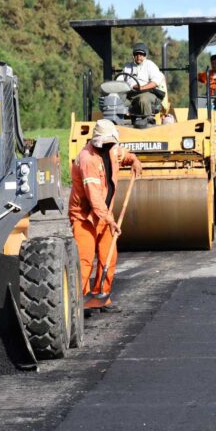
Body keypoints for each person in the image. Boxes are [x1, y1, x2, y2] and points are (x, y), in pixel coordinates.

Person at [69, 119, 142, 313]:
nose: (110, 146)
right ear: (97, 141)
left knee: (108, 257)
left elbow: (123, 155)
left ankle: (102, 296)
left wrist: (134, 160)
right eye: (106, 143)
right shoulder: (87, 159)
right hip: (85, 217)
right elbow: (94, 198)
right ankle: (81, 302)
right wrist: (110, 220)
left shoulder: (112, 149)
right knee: (84, 260)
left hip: (105, 214)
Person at [118, 42, 167, 121]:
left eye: (141, 55)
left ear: (145, 55)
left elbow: (155, 81)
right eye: (136, 54)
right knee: (115, 102)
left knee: (143, 99)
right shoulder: (127, 66)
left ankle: (148, 122)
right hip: (130, 95)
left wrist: (142, 88)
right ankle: (117, 125)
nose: (138, 57)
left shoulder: (150, 65)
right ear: (133, 55)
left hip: (147, 93)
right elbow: (119, 80)